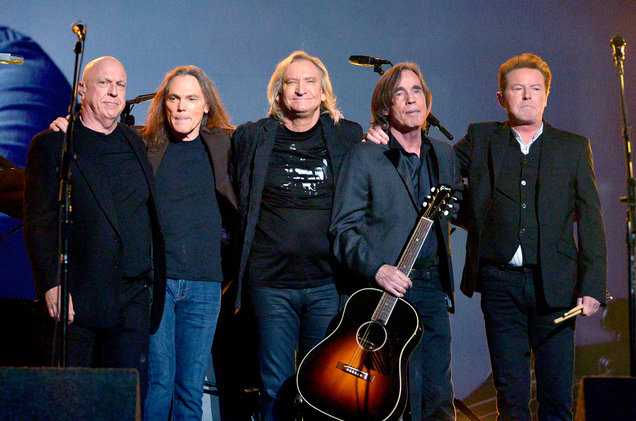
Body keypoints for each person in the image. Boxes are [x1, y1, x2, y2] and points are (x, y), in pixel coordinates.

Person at [454, 53, 607, 420]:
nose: (527, 96)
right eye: (517, 89)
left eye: (535, 89)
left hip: (556, 287)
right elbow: (434, 167)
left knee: (556, 397)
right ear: (501, 97)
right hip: (499, 284)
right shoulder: (481, 138)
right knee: (511, 397)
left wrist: (592, 286)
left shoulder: (573, 147)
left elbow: (590, 219)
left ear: (547, 95)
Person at [23, 57, 166, 404]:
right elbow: (40, 220)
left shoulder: (134, 142)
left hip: (132, 300)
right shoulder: (55, 144)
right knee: (72, 402)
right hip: (79, 300)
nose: (114, 92)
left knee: (124, 402)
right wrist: (52, 283)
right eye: (104, 83)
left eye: (121, 85)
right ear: (82, 90)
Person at [230, 50, 362, 420]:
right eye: (292, 82)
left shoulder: (347, 136)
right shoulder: (252, 137)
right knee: (275, 387)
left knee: (323, 386)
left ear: (324, 92)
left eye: (309, 82)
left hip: (326, 283)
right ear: (278, 92)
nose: (301, 89)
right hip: (271, 284)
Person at [330, 62, 461, 420]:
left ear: (427, 100)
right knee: (391, 399)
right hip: (385, 293)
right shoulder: (365, 155)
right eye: (399, 94)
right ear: (385, 107)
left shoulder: (444, 155)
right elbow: (342, 230)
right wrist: (378, 270)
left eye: (416, 91)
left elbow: (456, 200)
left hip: (432, 289)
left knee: (437, 393)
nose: (410, 99)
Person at [142, 66, 238, 421]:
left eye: (192, 99)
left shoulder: (226, 145)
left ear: (206, 105)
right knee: (159, 383)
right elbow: (101, 134)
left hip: (205, 283)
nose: (182, 107)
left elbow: (276, 130)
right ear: (164, 104)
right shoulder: (147, 145)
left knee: (190, 388)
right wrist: (66, 127)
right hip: (159, 282)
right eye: (175, 98)